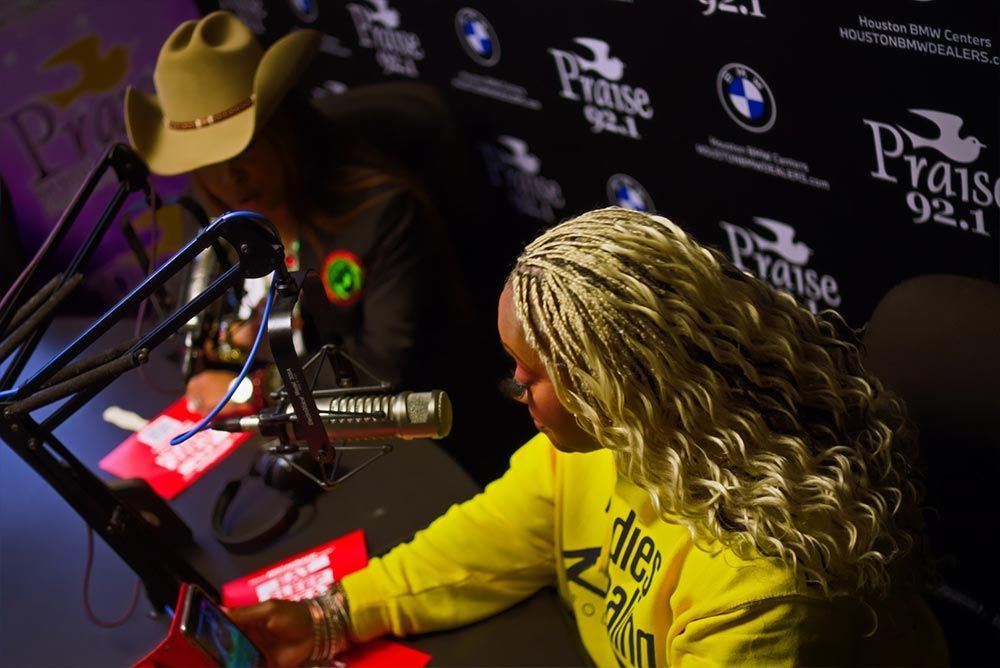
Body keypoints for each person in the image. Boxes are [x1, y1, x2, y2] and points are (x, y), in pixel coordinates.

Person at [227, 207, 948, 666]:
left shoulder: (767, 591)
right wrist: (336, 614)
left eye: (530, 370)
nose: (513, 386)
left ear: (620, 385)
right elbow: (491, 543)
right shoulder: (611, 444)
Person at [124, 11, 468, 415]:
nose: (228, 178)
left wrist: (256, 389)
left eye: (242, 151)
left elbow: (384, 365)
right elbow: (199, 332)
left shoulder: (380, 213)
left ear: (284, 129)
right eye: (205, 162)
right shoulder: (205, 209)